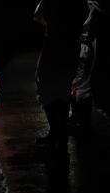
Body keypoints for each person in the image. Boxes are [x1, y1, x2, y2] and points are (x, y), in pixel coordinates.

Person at [33, 0, 86, 149]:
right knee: (63, 86)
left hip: (56, 45)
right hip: (70, 45)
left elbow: (39, 16)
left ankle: (57, 131)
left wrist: (54, 24)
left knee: (47, 85)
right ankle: (59, 131)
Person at [68, 0, 104, 139]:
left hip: (85, 46)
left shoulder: (94, 8)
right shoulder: (89, 7)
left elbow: (88, 27)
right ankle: (79, 119)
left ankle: (83, 122)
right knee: (76, 84)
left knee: (82, 85)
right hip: (82, 45)